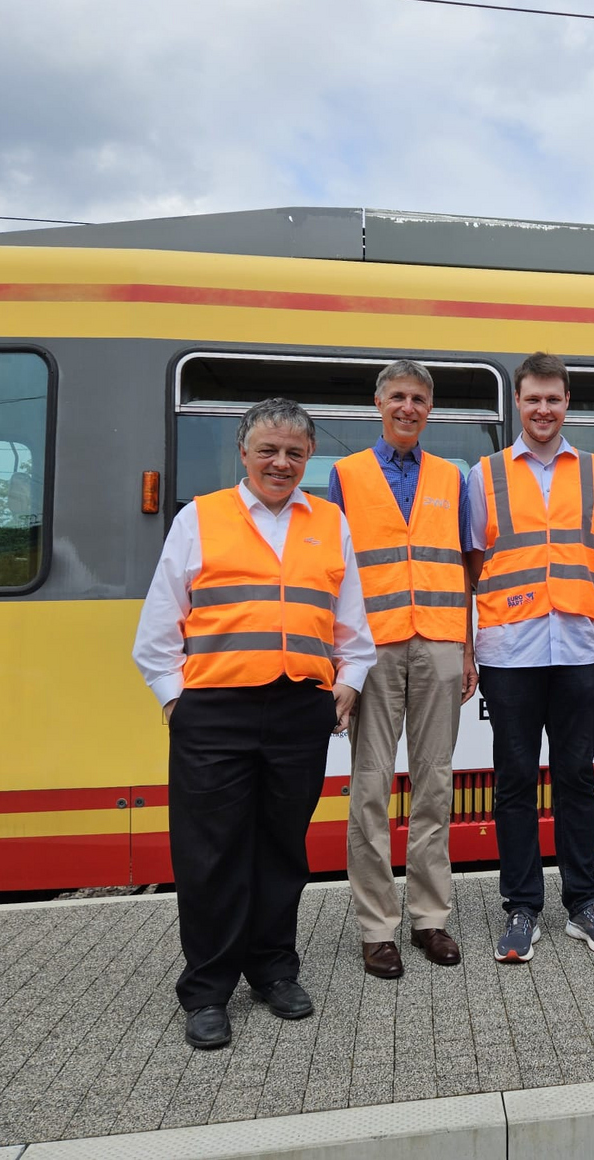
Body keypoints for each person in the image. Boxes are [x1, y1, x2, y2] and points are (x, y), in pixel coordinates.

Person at [133, 397, 375, 1049]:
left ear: (307, 459)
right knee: (209, 854)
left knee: (281, 849)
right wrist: (175, 702)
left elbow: (353, 627)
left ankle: (273, 970)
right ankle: (208, 991)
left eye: (295, 452)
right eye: (268, 449)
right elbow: (157, 632)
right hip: (214, 713)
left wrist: (347, 683)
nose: (281, 462)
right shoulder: (200, 519)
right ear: (243, 453)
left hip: (299, 709)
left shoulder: (329, 523)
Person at [465, 351, 594, 962]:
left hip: (579, 648)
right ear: (518, 403)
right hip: (510, 650)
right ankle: (521, 907)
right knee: (513, 782)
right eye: (532, 399)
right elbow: (472, 567)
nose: (542, 409)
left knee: (576, 778)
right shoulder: (484, 475)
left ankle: (583, 902)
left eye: (553, 399)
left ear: (567, 403)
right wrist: (468, 645)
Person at [330, 361, 477, 977]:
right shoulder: (345, 475)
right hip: (375, 647)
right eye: (398, 397)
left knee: (435, 784)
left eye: (419, 399)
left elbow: (467, 567)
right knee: (369, 786)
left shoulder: (454, 477)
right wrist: (342, 656)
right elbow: (333, 571)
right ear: (378, 403)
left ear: (429, 409)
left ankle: (429, 919)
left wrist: (468, 646)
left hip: (441, 643)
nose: (408, 407)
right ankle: (375, 927)